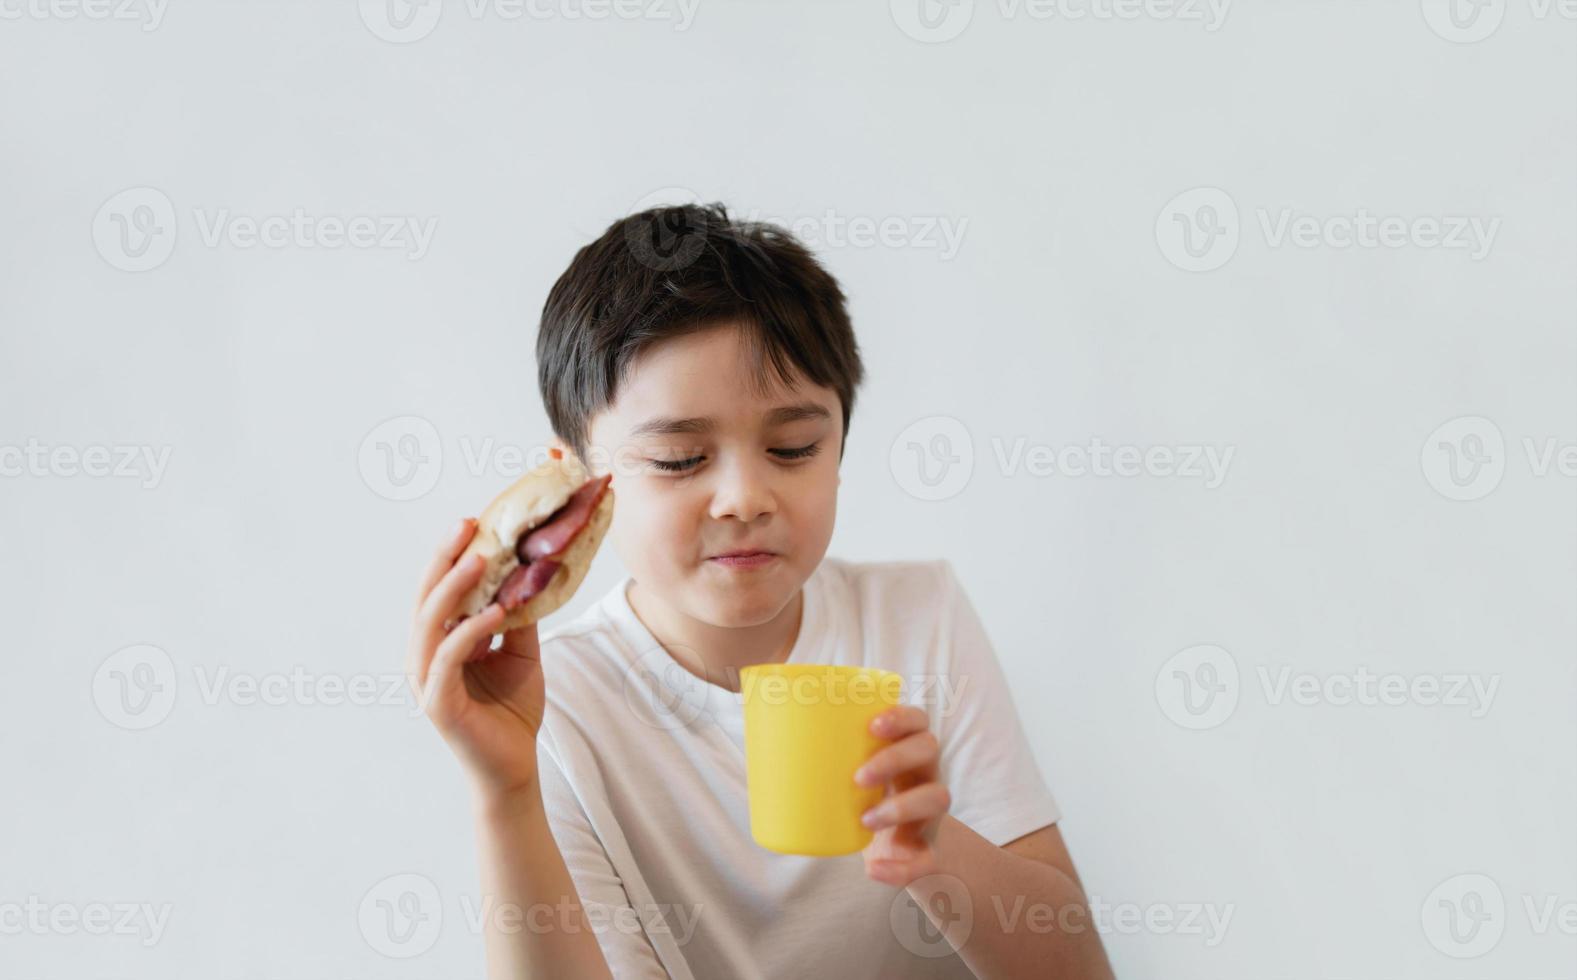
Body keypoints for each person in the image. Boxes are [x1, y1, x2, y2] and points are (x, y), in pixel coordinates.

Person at [405, 203, 1114, 979]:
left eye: (791, 447)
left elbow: (1077, 971)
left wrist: (934, 845)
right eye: (678, 459)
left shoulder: (918, 618)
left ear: (839, 447)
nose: (744, 497)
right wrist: (504, 792)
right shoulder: (551, 699)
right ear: (576, 475)